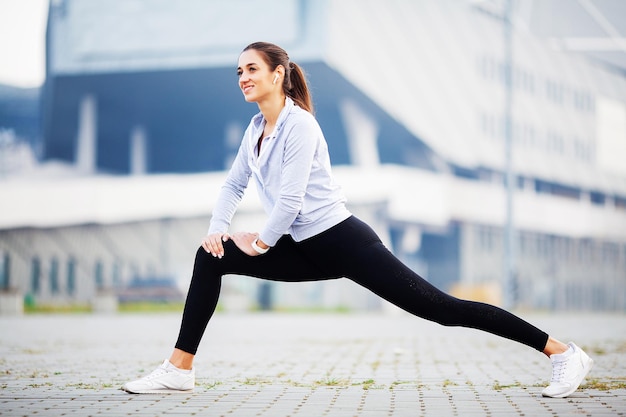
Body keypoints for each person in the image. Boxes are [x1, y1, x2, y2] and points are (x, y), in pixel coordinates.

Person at [122, 41, 593, 398]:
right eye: (239, 71)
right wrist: (218, 230)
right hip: (306, 245)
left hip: (344, 241)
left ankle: (563, 353)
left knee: (443, 310)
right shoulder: (254, 131)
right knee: (212, 257)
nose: (243, 78)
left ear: (278, 75)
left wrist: (260, 243)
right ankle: (180, 368)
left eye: (251, 69)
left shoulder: (300, 124)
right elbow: (232, 186)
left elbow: (289, 201)